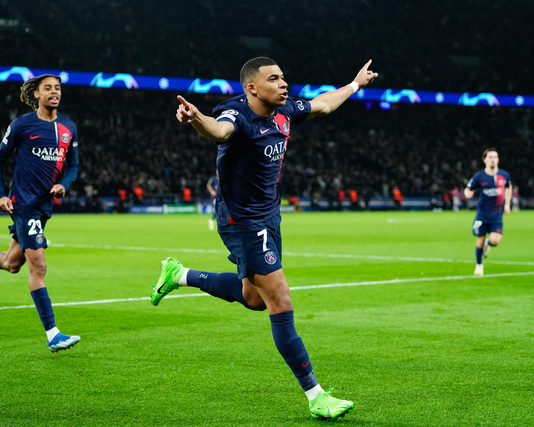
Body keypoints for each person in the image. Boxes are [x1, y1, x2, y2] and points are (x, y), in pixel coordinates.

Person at [151, 57, 378, 419]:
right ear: (252, 88)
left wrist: (355, 84)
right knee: (280, 300)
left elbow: (322, 105)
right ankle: (316, 395)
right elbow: (219, 131)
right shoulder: (237, 115)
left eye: (283, 77)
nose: (283, 83)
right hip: (241, 220)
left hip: (270, 216)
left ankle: (180, 274)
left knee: (254, 299)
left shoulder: (284, 110)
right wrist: (195, 118)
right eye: (274, 79)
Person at [0, 74, 81, 353]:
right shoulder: (22, 125)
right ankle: (53, 334)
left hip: (44, 207)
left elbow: (73, 165)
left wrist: (64, 184)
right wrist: (0, 194)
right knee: (39, 268)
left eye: (57, 88)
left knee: (12, 264)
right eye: (48, 88)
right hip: (23, 204)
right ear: (36, 94)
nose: (54, 92)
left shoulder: (69, 127)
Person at [464, 148, 512, 275]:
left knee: (495, 241)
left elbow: (509, 187)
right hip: (482, 214)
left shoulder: (504, 175)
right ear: (484, 160)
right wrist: (468, 193)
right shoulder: (479, 176)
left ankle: (488, 243)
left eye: (495, 157)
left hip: (497, 214)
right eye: (490, 157)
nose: (493, 160)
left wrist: (507, 204)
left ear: (498, 160)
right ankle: (479, 266)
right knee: (479, 240)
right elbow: (468, 189)